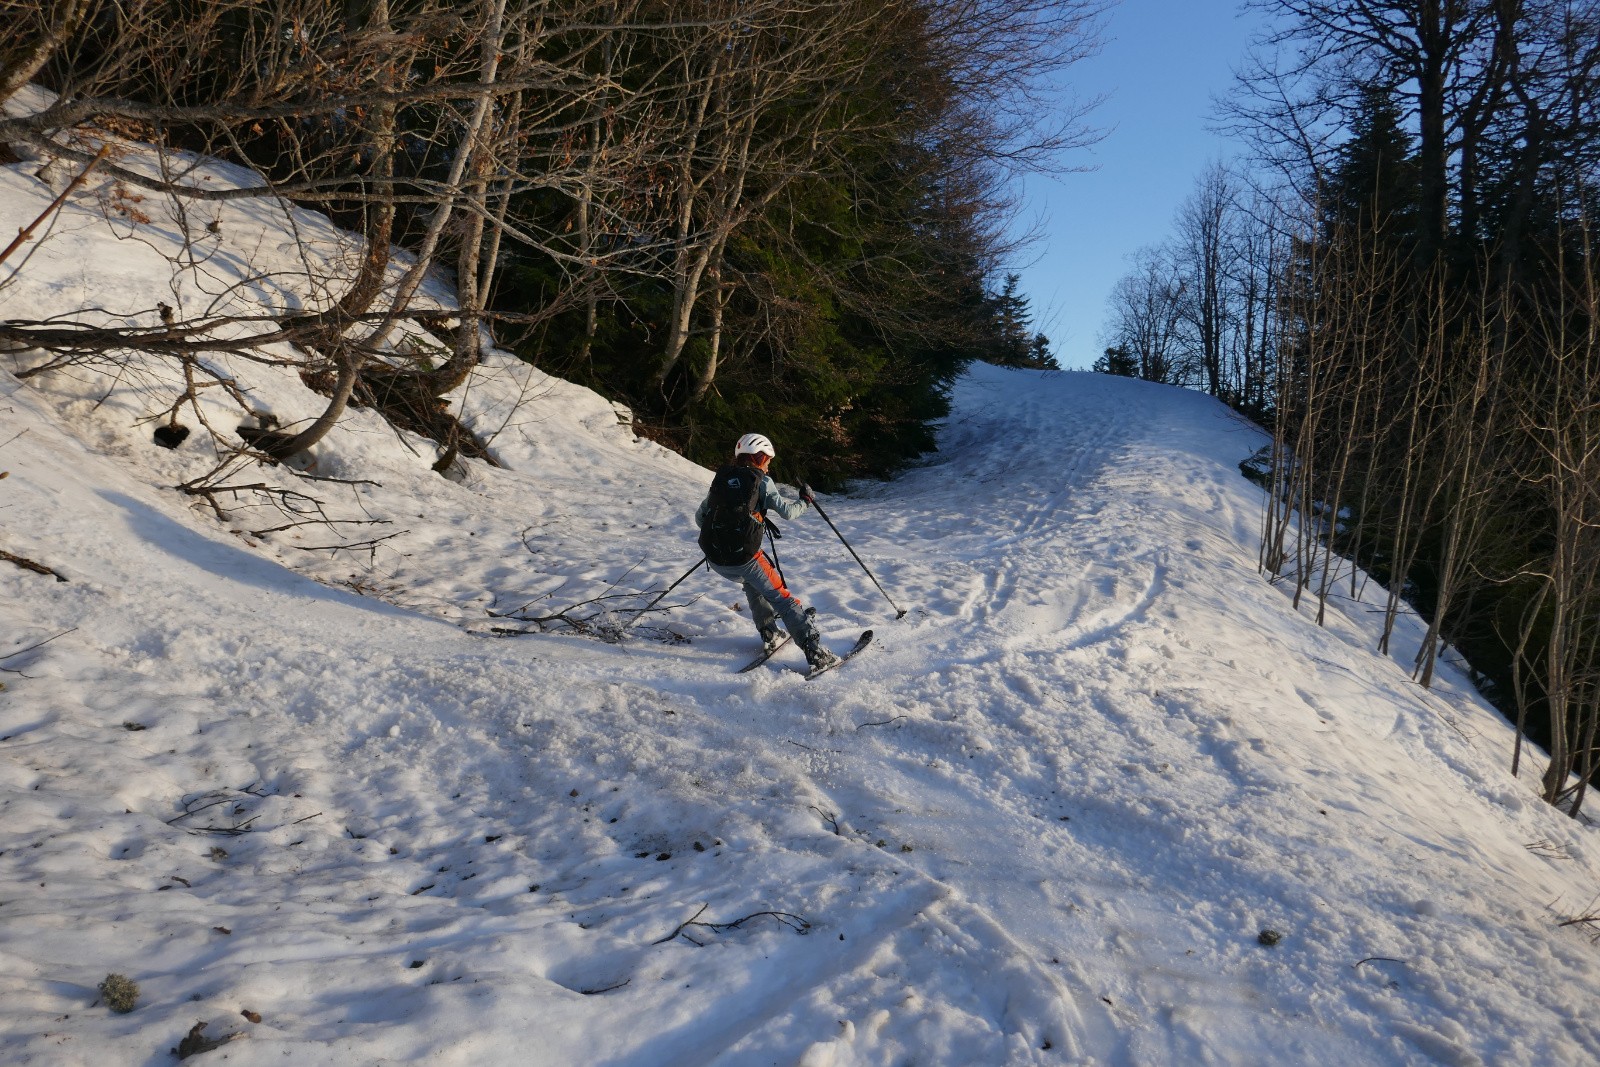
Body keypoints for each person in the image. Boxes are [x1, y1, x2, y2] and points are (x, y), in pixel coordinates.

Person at [696, 433, 840, 673]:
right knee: (782, 598)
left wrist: (727, 536)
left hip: (715, 558)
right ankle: (816, 653)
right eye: (768, 459)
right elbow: (788, 513)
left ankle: (770, 634)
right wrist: (806, 500)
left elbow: (700, 518)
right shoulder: (761, 482)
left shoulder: (722, 479)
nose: (769, 464)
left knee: (753, 585)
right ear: (759, 457)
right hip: (745, 559)